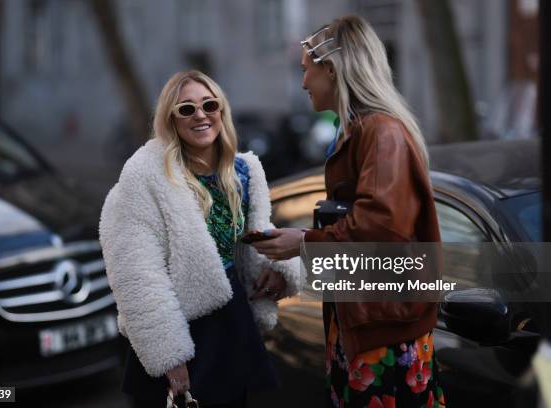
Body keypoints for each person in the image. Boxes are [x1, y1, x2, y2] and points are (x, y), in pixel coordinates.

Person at [252, 16, 446, 407]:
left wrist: (304, 244)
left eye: (306, 71)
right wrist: (296, 261)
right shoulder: (361, 130)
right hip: (366, 323)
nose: (303, 83)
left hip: (382, 332)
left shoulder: (381, 133)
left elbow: (380, 230)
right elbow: (350, 228)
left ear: (332, 69)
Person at [99, 71, 300, 407]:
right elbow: (135, 274)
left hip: (233, 322)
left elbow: (256, 240)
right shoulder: (145, 177)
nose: (201, 115)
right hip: (179, 327)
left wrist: (279, 271)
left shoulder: (245, 172)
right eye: (187, 109)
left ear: (222, 111)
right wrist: (169, 354)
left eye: (209, 105)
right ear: (170, 119)